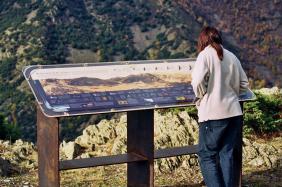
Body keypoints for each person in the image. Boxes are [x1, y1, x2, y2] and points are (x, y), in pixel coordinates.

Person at [191, 26, 249, 187]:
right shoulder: (231, 56)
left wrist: (202, 95)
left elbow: (196, 83)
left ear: (202, 40)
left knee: (207, 155)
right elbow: (244, 84)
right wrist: (231, 92)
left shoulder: (205, 55)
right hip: (234, 113)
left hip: (212, 114)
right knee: (227, 154)